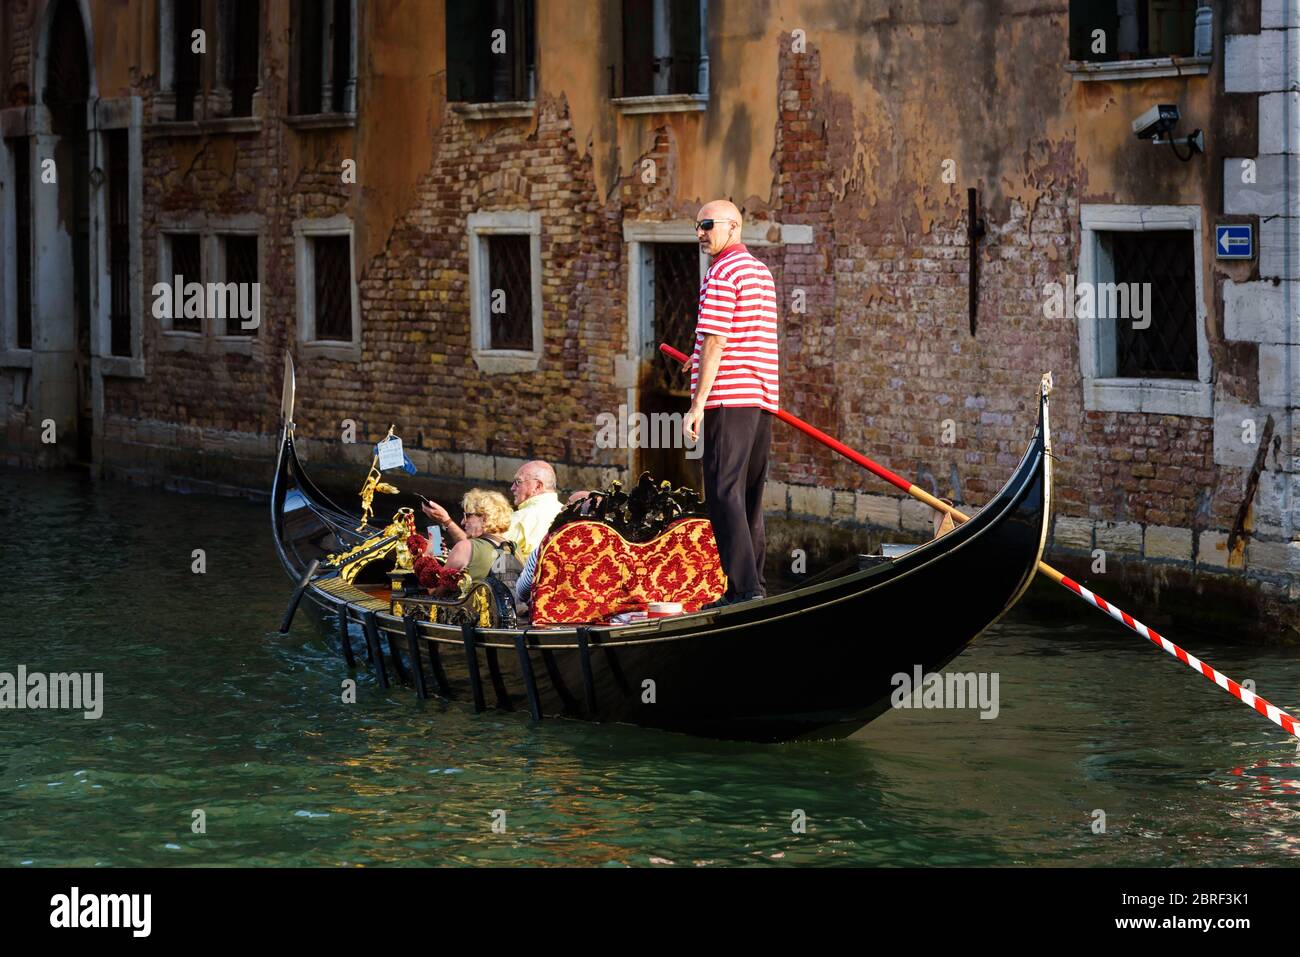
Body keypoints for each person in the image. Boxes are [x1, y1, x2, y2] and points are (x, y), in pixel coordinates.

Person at [682, 199, 779, 608]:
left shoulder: (721, 272)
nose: (701, 233)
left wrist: (697, 403)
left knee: (723, 493)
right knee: (748, 495)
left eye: (707, 225)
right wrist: (698, 357)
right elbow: (737, 337)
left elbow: (718, 339)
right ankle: (753, 584)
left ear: (733, 226)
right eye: (698, 226)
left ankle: (742, 591)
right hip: (759, 399)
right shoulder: (760, 271)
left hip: (727, 397)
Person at [421, 460, 564, 562]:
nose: (512, 488)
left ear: (537, 486)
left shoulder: (522, 518)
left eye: (518, 482)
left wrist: (445, 523)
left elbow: (476, 553)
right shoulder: (564, 512)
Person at [436, 489, 518, 584]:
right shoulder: (514, 548)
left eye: (467, 516)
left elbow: (435, 591)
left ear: (484, 518)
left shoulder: (465, 547)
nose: (463, 521)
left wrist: (432, 552)